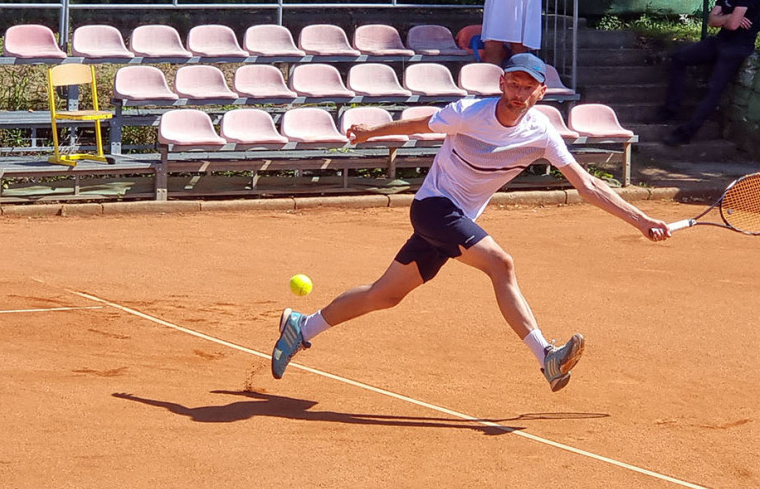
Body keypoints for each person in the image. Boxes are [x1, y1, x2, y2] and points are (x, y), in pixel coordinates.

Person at [271, 53, 671, 392]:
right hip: (433, 208)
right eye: (512, 84)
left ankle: (302, 327)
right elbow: (417, 125)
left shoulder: (542, 133)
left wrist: (639, 219)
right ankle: (546, 357)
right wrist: (371, 132)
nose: (518, 94)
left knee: (384, 295)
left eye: (527, 87)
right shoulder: (470, 113)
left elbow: (585, 185)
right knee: (502, 264)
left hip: (456, 219)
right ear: (501, 83)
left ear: (541, 92)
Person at [656, 0, 760, 146]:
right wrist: (731, 17)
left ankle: (685, 133)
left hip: (738, 47)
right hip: (721, 41)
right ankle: (670, 110)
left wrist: (725, 18)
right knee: (679, 58)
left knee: (714, 87)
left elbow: (730, 25)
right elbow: (713, 21)